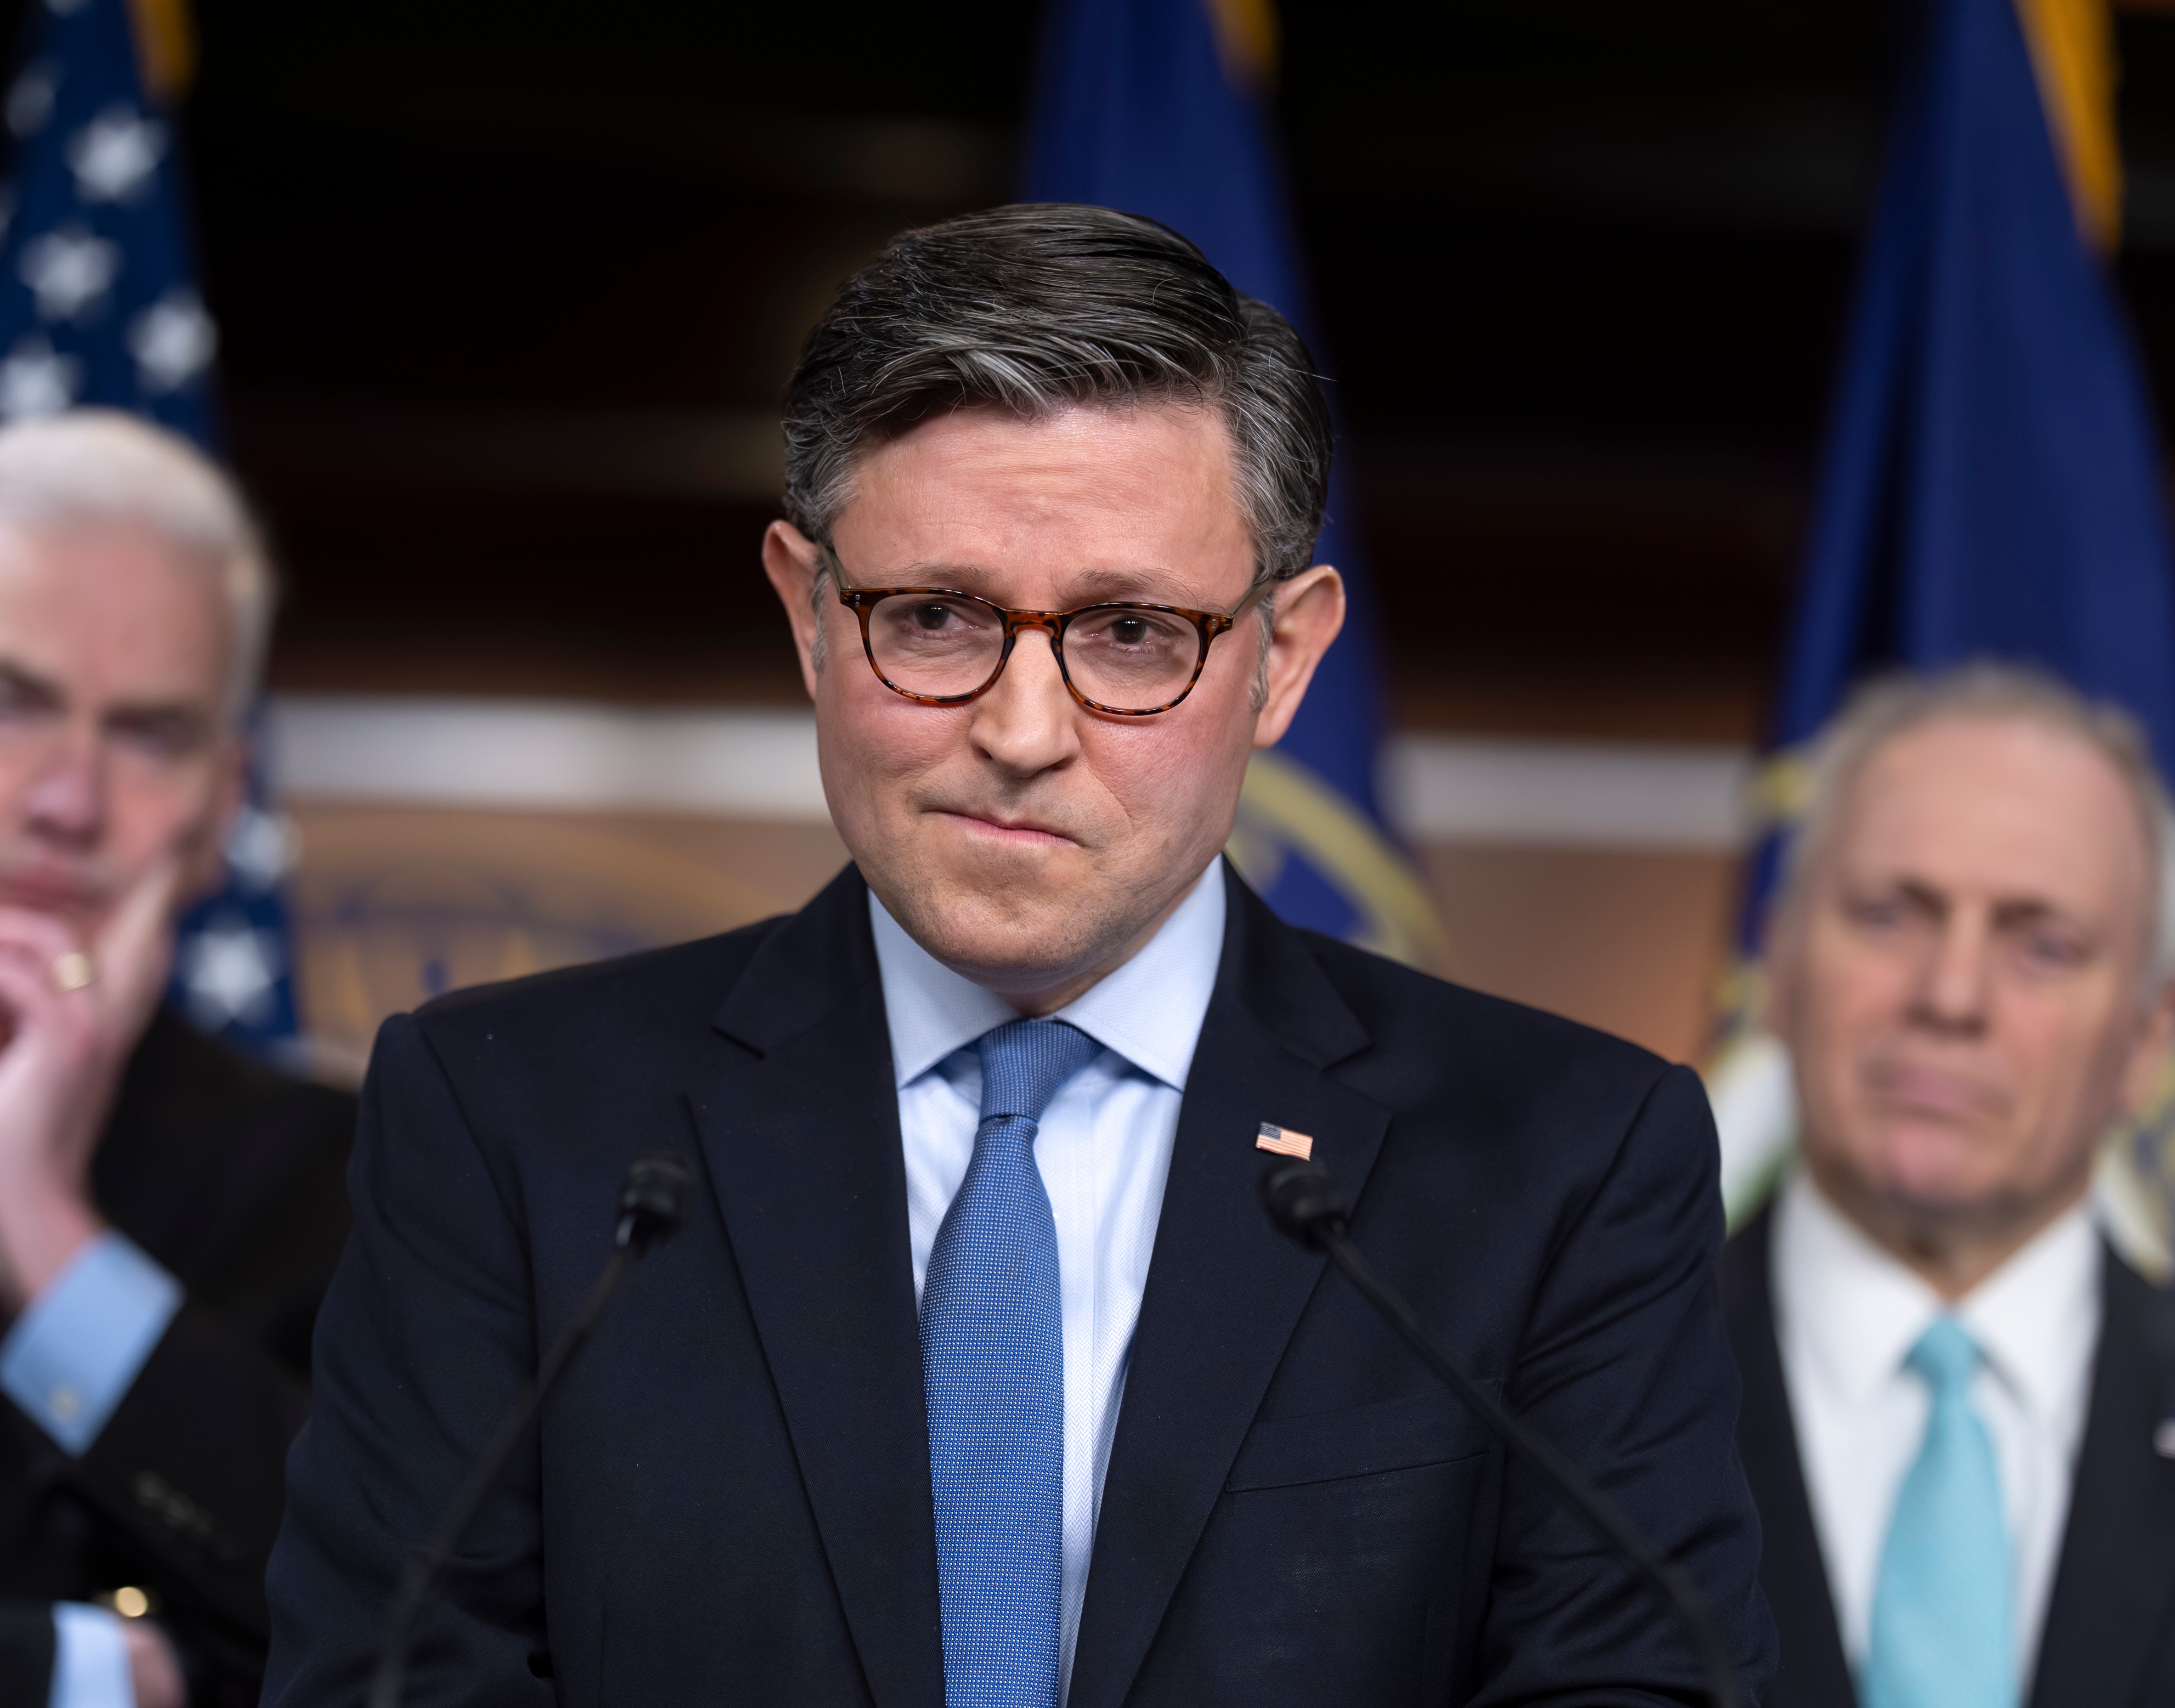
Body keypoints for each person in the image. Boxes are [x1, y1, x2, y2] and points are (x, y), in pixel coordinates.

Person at [263, 205, 1774, 1707]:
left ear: (1283, 658)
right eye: (932, 617)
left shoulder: (1562, 1158)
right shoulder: (508, 1115)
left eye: (1127, 633)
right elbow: (387, 1678)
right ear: (805, 613)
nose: (1021, 731)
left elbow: (1631, 1682)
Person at [0, 413, 355, 1708]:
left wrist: (46, 1235)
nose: (69, 800)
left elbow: (401, 1614)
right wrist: (81, 1667)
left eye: (148, 733)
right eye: (5, 702)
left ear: (223, 807)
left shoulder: (367, 1177)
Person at [1719, 665, 2175, 1708]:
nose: (1950, 995)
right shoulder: (1566, 1402)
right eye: (1888, 913)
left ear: (2147, 1038)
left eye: (2044, 945)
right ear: (1778, 963)